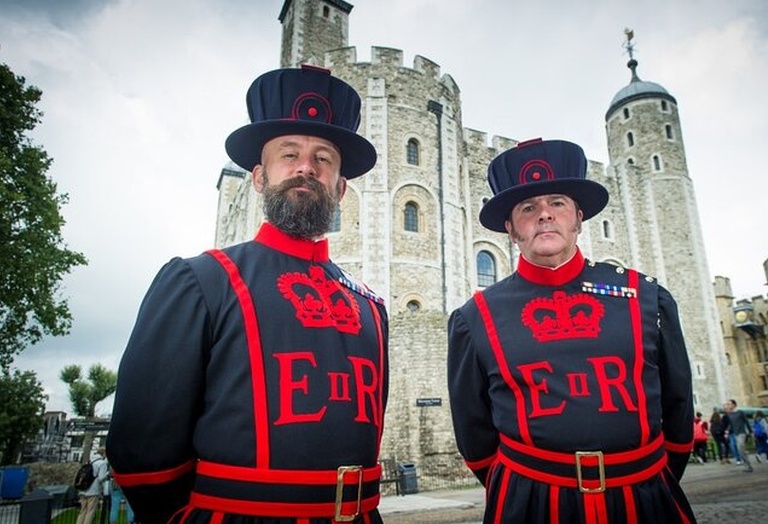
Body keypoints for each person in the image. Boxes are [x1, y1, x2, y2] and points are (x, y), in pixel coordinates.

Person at [107, 66, 389, 524]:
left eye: (323, 158)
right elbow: (143, 454)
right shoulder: (200, 280)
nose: (306, 167)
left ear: (340, 188)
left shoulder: (371, 308)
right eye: (289, 154)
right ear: (259, 177)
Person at [447, 139, 696, 523]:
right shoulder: (475, 317)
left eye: (557, 203)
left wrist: (643, 477)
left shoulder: (645, 296)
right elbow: (474, 434)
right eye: (528, 208)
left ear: (578, 218)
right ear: (511, 229)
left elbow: (678, 408)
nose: (545, 214)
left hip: (643, 496)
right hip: (532, 503)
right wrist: (526, 485)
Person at [76, 447, 109, 524]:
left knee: (82, 511)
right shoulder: (102, 463)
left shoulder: (89, 461)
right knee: (90, 512)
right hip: (93, 490)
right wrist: (107, 474)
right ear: (104, 453)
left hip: (83, 489)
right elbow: (101, 478)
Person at [723, 399, 753, 472]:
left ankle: (748, 466)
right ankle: (748, 466)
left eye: (729, 404)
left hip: (742, 433)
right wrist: (727, 431)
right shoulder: (729, 414)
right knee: (740, 450)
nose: (728, 405)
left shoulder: (740, 412)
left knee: (740, 448)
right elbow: (730, 424)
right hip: (735, 433)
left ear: (733, 405)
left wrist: (751, 431)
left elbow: (746, 421)